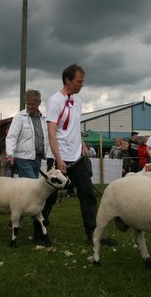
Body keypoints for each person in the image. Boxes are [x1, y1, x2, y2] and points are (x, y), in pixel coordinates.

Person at [46, 63, 116, 246]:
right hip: (58, 158)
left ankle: (93, 235)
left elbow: (74, 128)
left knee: (88, 195)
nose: (82, 85)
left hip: (77, 158)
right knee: (48, 196)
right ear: (68, 80)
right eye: (79, 81)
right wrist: (58, 160)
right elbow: (52, 133)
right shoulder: (54, 101)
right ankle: (40, 229)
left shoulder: (78, 101)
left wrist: (83, 146)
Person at [6, 89, 48, 179]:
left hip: (38, 158)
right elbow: (11, 137)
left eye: (32, 104)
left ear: (39, 103)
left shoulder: (44, 119)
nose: (29, 106)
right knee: (32, 185)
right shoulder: (19, 117)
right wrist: (10, 154)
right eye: (28, 104)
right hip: (23, 159)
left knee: (31, 187)